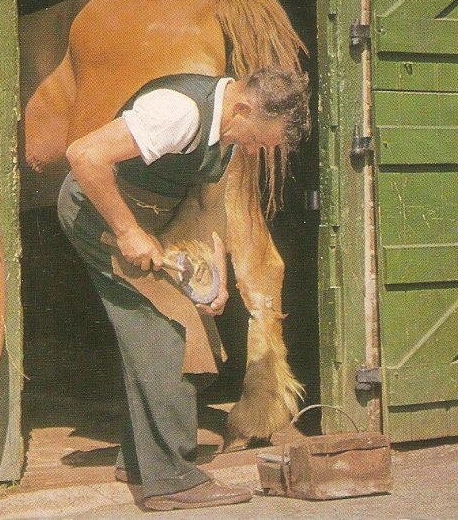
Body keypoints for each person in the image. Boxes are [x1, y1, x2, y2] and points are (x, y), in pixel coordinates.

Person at [57, 67, 307, 511]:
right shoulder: (178, 111)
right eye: (256, 140)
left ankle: (139, 461)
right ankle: (171, 480)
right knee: (168, 332)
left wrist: (215, 277)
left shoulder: (228, 131)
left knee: (193, 329)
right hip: (100, 215)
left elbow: (210, 209)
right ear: (244, 108)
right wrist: (129, 232)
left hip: (150, 221)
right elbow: (85, 155)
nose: (252, 150)